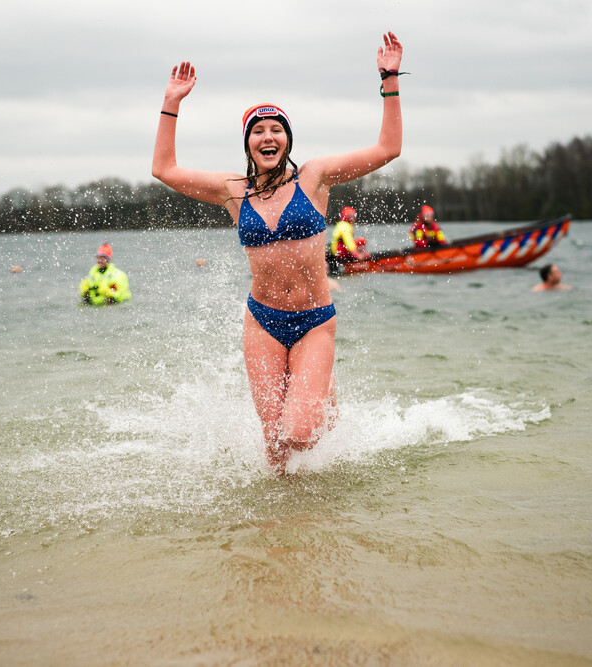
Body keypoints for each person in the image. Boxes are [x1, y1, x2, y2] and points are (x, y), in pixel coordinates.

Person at [151, 32, 403, 472]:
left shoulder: (314, 178)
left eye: (276, 130)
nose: (267, 137)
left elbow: (388, 149)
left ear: (287, 139)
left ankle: (323, 390)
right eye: (258, 131)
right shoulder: (233, 191)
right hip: (262, 322)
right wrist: (172, 102)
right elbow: (164, 169)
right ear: (248, 143)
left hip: (314, 321)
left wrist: (390, 80)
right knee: (275, 446)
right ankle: (289, 515)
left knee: (300, 433)